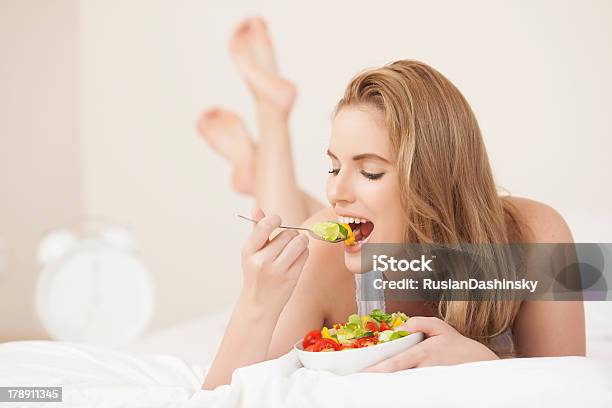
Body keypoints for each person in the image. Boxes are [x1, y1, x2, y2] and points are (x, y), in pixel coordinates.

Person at [197, 17, 585, 390]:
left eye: (370, 172)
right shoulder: (324, 252)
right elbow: (222, 397)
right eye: (333, 168)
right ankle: (270, 121)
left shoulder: (536, 237)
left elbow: (571, 389)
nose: (337, 192)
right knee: (302, 224)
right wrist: (255, 302)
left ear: (434, 182)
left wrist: (481, 364)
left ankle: (257, 160)